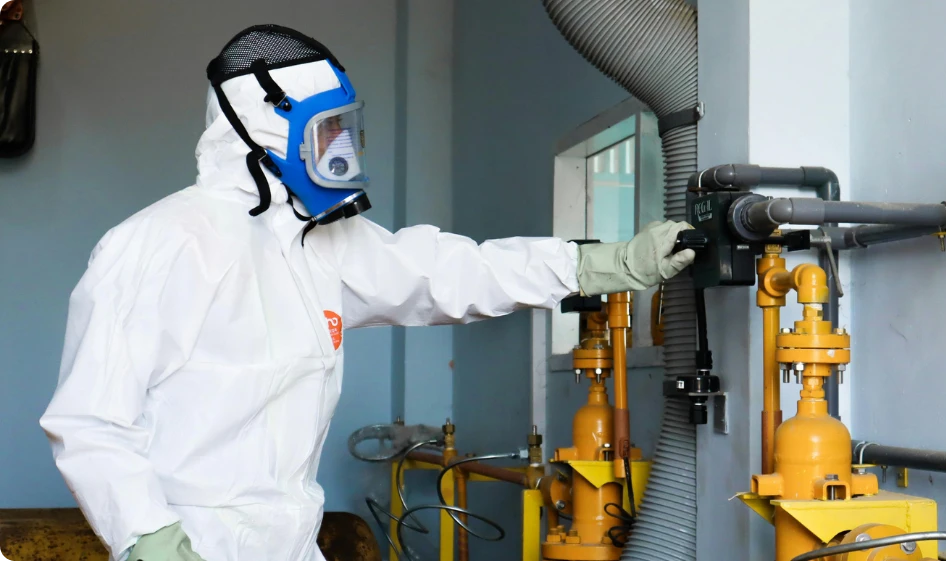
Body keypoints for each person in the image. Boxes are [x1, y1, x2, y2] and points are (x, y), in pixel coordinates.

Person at [39, 24, 695, 561]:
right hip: (191, 542)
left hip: (291, 541)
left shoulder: (321, 242)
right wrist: (150, 538)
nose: (344, 148)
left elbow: (449, 270)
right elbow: (89, 421)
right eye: (329, 132)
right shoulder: (160, 242)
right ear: (269, 129)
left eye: (346, 129)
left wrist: (599, 264)